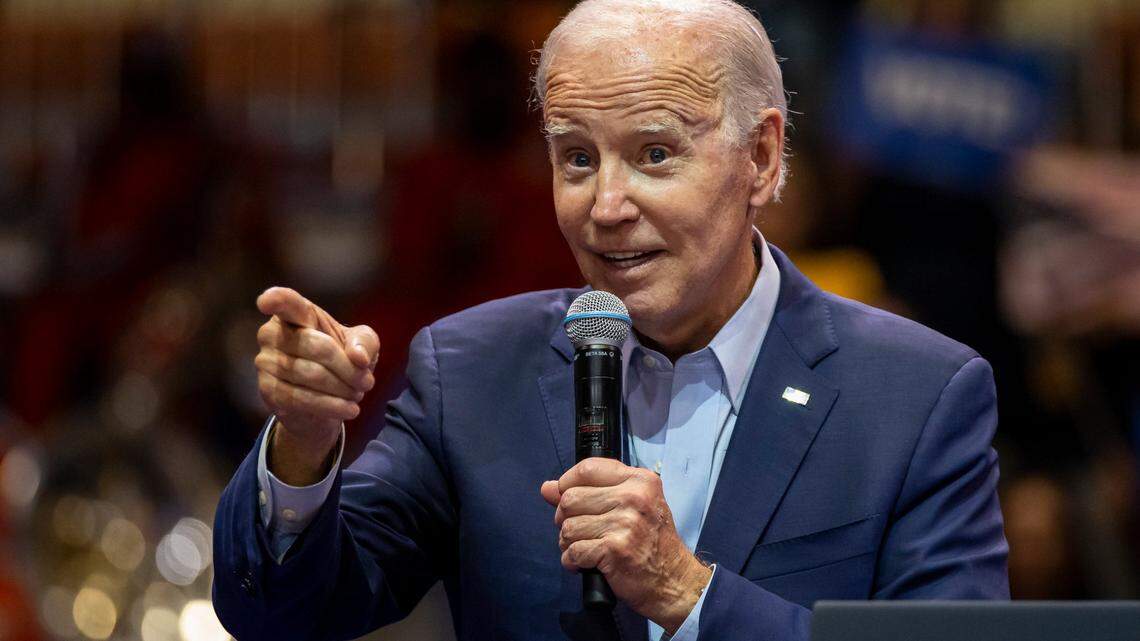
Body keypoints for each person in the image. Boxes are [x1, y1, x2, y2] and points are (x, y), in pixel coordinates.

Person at [212, 1, 1009, 640]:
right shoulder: (471, 369)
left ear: (761, 158)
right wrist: (305, 447)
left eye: (656, 154)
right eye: (579, 158)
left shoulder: (918, 395)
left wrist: (689, 594)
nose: (607, 208)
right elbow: (286, 615)